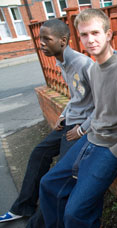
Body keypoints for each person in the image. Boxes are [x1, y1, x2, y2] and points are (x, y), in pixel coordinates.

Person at [39, 8, 117, 228]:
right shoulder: (95, 69)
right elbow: (99, 109)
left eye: (95, 33)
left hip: (111, 146)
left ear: (108, 34)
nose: (90, 40)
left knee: (75, 213)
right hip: (91, 139)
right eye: (84, 35)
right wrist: (83, 130)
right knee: (48, 184)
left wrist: (116, 151)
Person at [0, 19, 94, 225]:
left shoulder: (83, 64)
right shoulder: (62, 62)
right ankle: (23, 206)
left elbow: (102, 103)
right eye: (39, 38)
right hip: (69, 121)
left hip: (81, 128)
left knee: (55, 180)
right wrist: (63, 114)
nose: (40, 43)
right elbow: (76, 97)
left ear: (62, 41)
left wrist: (82, 128)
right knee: (38, 154)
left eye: (46, 39)